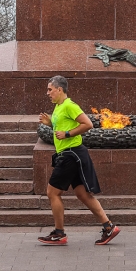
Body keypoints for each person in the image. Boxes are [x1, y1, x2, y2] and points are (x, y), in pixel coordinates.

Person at [37, 75, 121, 246]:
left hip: (71, 155)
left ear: (60, 89)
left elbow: (88, 124)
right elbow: (63, 128)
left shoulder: (69, 105)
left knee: (53, 193)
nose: (47, 93)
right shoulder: (59, 107)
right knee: (82, 194)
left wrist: (67, 134)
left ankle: (59, 233)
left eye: (50, 89)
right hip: (70, 154)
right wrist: (50, 125)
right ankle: (109, 227)